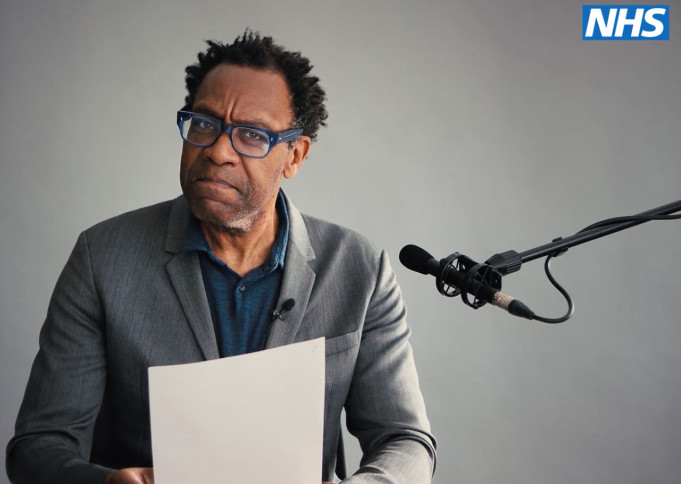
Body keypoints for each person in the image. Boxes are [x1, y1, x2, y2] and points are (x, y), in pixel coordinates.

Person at [6, 30, 436, 484]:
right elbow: (38, 447)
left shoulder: (360, 268)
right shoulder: (102, 258)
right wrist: (106, 483)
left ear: (295, 156)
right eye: (204, 124)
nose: (217, 151)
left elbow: (405, 440)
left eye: (251, 135)